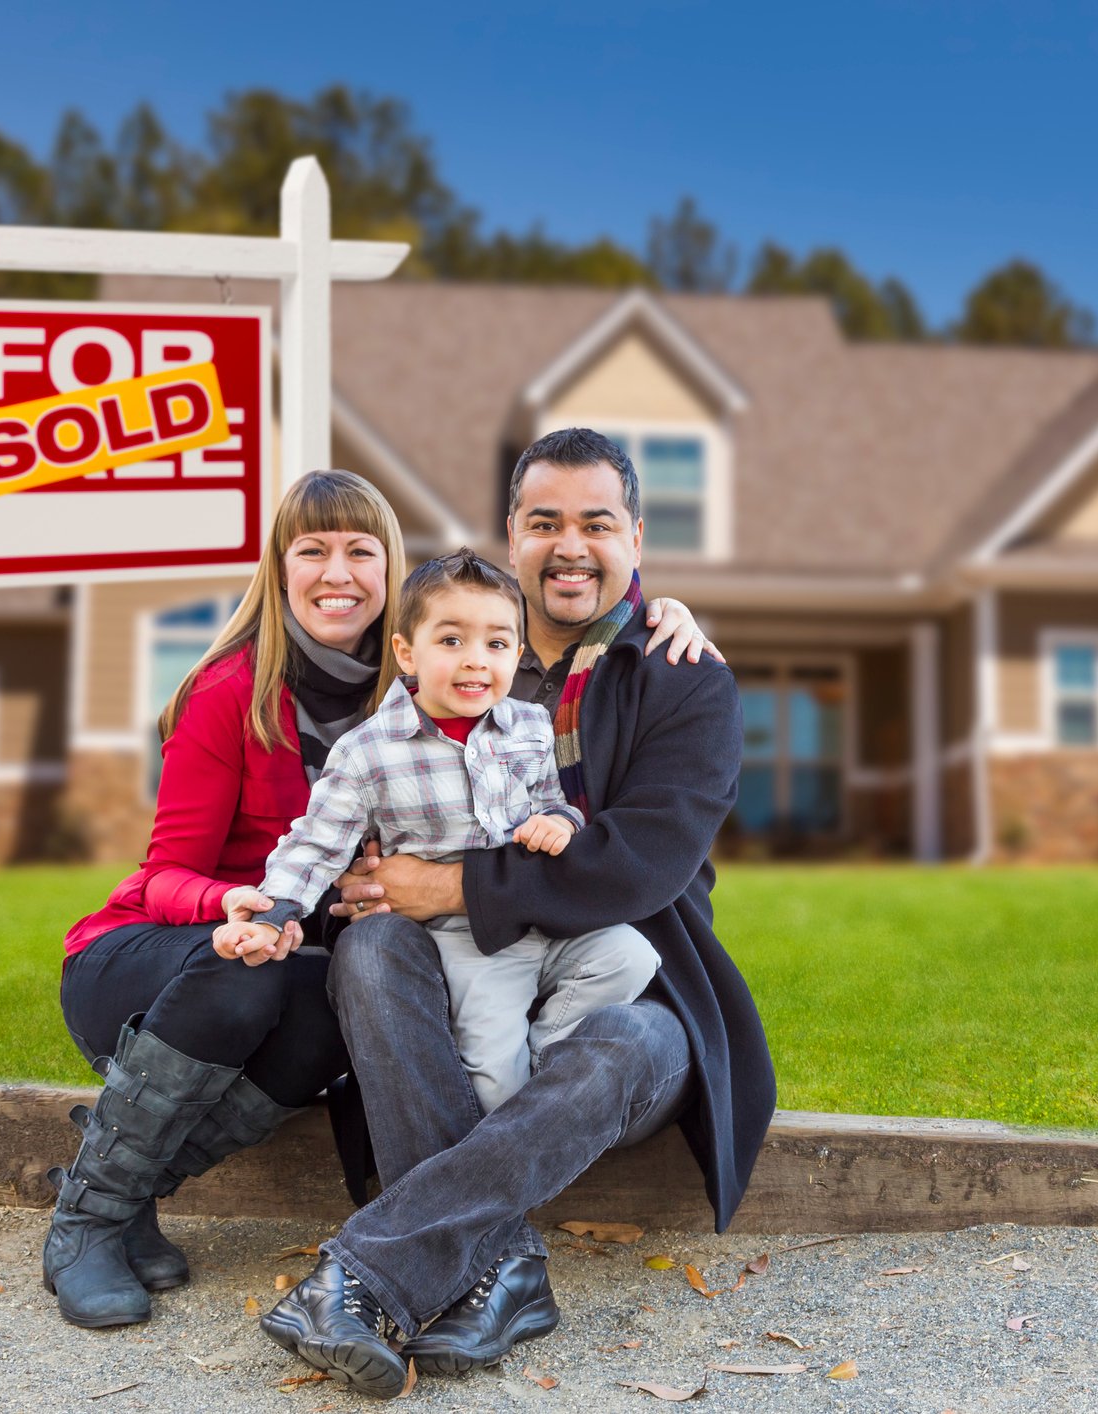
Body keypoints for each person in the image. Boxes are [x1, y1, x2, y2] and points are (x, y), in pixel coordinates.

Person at [48, 468, 716, 1330]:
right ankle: (90, 1220)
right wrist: (253, 905)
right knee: (262, 972)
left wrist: (667, 608)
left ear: (391, 577)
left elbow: (550, 637)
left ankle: (132, 1189)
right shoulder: (233, 693)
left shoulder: (436, 679)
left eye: (361, 551)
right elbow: (159, 875)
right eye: (312, 550)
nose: (338, 572)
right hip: (163, 951)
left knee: (335, 999)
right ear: (278, 568)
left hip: (307, 953)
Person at [258, 428, 776, 1397]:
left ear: (635, 535)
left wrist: (453, 884)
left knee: (626, 1042)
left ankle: (370, 1269)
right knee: (369, 948)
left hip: (629, 979)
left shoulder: (681, 675)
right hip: (458, 976)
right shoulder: (455, 646)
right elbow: (324, 674)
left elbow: (639, 869)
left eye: (596, 523)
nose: (570, 545)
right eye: (545, 523)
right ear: (511, 534)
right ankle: (504, 1270)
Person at [214, 548, 660, 1114]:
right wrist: (275, 911)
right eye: (451, 641)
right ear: (407, 652)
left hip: (541, 917)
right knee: (497, 1084)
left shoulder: (529, 726)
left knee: (631, 955)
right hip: (468, 940)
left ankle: (549, 1055)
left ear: (516, 653)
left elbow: (552, 800)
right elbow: (315, 844)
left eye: (496, 644)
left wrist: (560, 822)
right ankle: (514, 1115)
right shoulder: (367, 753)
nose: (476, 661)